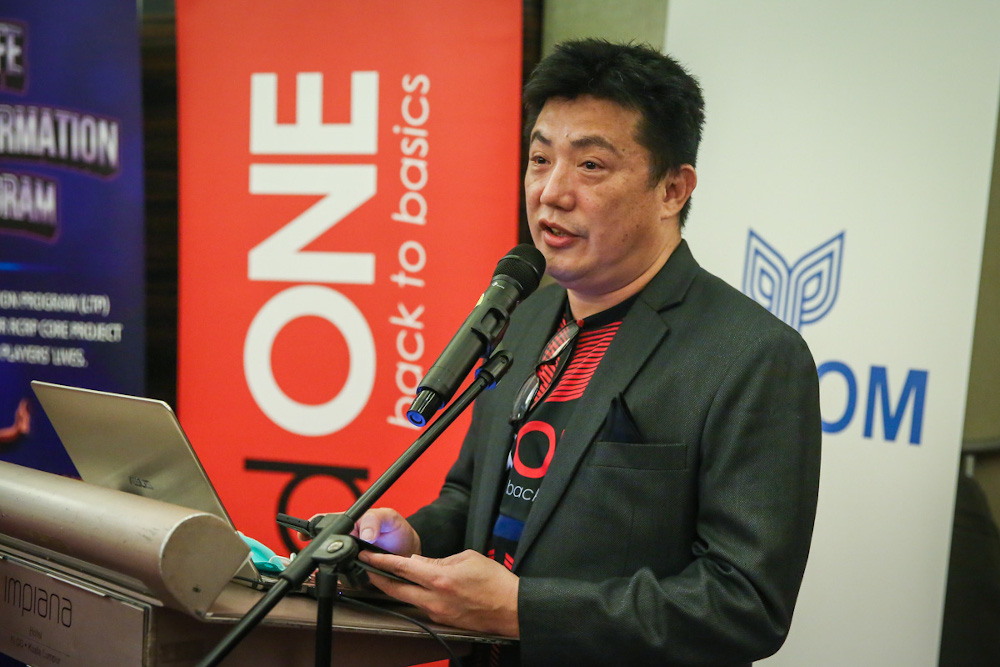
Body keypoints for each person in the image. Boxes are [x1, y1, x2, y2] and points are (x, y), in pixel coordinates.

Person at [349, 39, 822, 666]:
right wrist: (410, 541)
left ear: (673, 189)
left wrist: (524, 610)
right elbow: (474, 497)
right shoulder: (525, 317)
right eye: (540, 159)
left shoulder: (753, 355)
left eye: (590, 166)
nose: (552, 192)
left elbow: (745, 605)